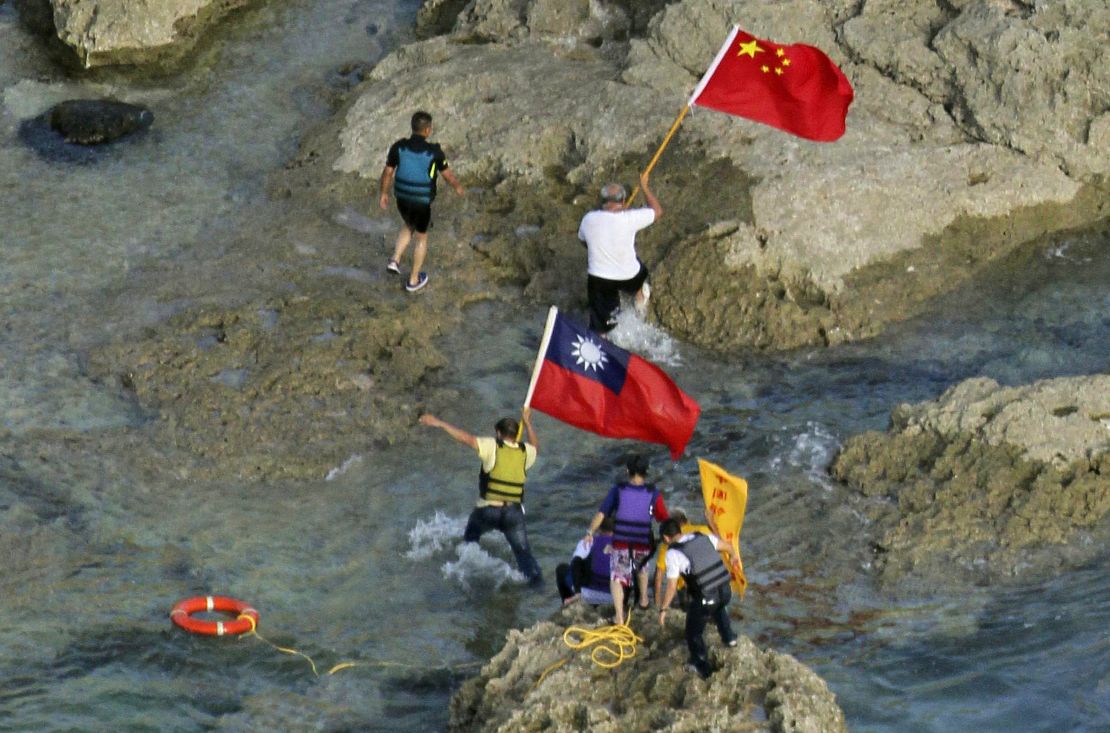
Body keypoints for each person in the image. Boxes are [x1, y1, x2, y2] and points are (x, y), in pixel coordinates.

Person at [419, 410, 543, 586]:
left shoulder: (492, 446)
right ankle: (538, 589)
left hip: (487, 511)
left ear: (499, 434)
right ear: (516, 435)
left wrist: (440, 423)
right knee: (524, 556)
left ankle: (464, 575)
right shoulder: (526, 452)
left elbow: (466, 439)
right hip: (514, 514)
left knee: (470, 540)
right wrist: (528, 424)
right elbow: (536, 447)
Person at [379, 110, 464, 293]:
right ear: (427, 130)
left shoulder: (398, 147)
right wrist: (458, 187)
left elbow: (387, 172)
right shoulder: (434, 152)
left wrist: (383, 193)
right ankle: (413, 280)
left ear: (413, 127)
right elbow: (447, 175)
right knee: (421, 237)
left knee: (409, 223)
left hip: (402, 198)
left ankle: (395, 259)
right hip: (421, 201)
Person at [585, 454, 669, 624]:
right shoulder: (653, 493)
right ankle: (644, 600)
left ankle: (620, 617)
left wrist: (590, 532)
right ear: (646, 472)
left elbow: (602, 514)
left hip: (621, 542)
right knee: (642, 568)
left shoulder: (617, 490)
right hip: (643, 542)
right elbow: (663, 518)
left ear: (627, 471)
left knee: (616, 579)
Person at [657, 518, 743, 679]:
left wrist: (663, 609)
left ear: (666, 538)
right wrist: (733, 557)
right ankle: (729, 638)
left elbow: (671, 586)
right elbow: (728, 547)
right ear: (680, 530)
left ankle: (700, 665)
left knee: (692, 632)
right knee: (718, 607)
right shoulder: (703, 536)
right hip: (726, 591)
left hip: (707, 597)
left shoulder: (673, 553)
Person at [577, 170, 662, 333]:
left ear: (602, 201)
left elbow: (583, 240)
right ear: (623, 201)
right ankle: (640, 300)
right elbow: (657, 211)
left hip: (600, 281)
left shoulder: (588, 219)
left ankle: (603, 335)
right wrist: (644, 187)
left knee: (601, 328)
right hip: (629, 276)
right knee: (641, 273)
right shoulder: (630, 218)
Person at [652, 508, 716, 610]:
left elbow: (658, 577)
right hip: (710, 580)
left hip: (687, 587)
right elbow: (721, 540)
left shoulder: (668, 543)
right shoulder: (702, 530)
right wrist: (711, 521)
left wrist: (657, 603)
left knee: (690, 614)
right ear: (687, 520)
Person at [556, 516, 615, 608]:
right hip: (615, 595)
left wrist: (578, 591)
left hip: (590, 594)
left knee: (562, 569)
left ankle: (568, 604)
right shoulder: (623, 544)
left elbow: (575, 564)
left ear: (598, 528)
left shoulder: (589, 542)